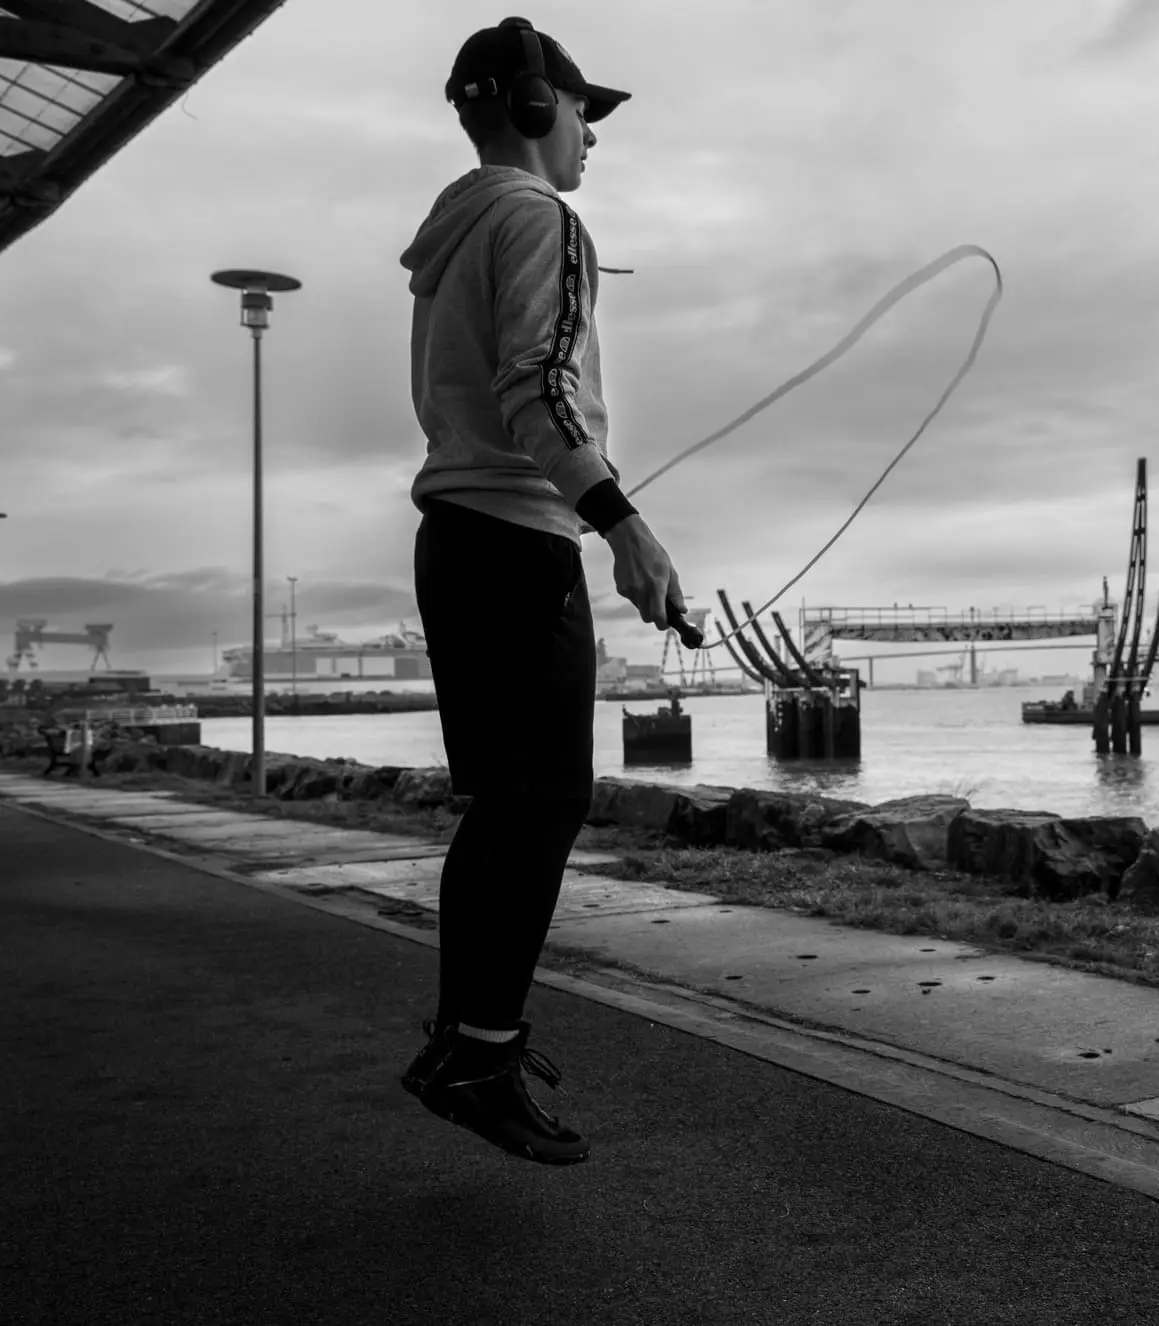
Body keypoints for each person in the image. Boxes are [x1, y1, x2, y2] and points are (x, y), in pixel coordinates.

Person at [395, 16, 691, 1166]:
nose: (589, 140)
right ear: (531, 107)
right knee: (541, 805)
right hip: (517, 544)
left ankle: (470, 1047)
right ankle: (477, 1056)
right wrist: (623, 526)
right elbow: (537, 380)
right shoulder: (540, 218)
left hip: (455, 537)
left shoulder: (455, 235)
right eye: (582, 114)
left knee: (508, 808)